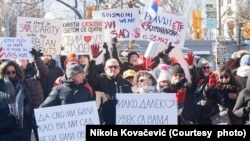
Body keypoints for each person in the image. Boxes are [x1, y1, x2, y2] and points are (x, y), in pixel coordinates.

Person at [85, 58, 132, 125]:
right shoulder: (99, 80)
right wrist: (92, 60)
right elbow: (88, 77)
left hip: (123, 121)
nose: (113, 69)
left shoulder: (126, 83)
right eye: (110, 67)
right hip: (105, 121)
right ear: (105, 69)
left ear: (119, 68)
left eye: (115, 67)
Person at [16, 49, 49, 141]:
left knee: (41, 137)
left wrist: (37, 58)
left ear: (27, 61)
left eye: (23, 58)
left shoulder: (34, 71)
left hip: (37, 110)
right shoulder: (13, 74)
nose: (21, 60)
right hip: (23, 114)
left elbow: (44, 72)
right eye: (19, 59)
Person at [0, 61, 31, 141]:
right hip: (4, 126)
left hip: (20, 125)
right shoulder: (0, 85)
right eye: (8, 72)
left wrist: (24, 111)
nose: (11, 75)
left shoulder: (22, 85)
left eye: (13, 72)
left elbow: (28, 101)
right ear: (3, 73)